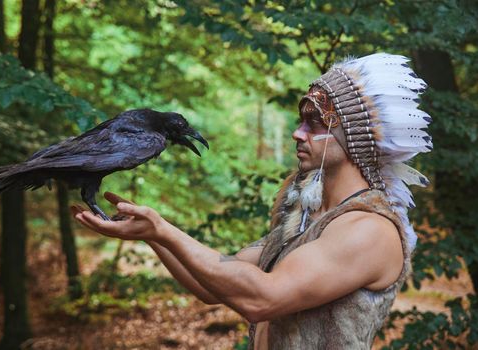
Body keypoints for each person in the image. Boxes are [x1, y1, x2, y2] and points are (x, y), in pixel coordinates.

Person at [72, 53, 433, 349]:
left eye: (315, 123)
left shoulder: (369, 230)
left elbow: (262, 298)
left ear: (353, 138)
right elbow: (213, 283)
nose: (298, 132)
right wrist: (152, 234)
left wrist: (163, 230)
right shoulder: (305, 216)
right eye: (300, 120)